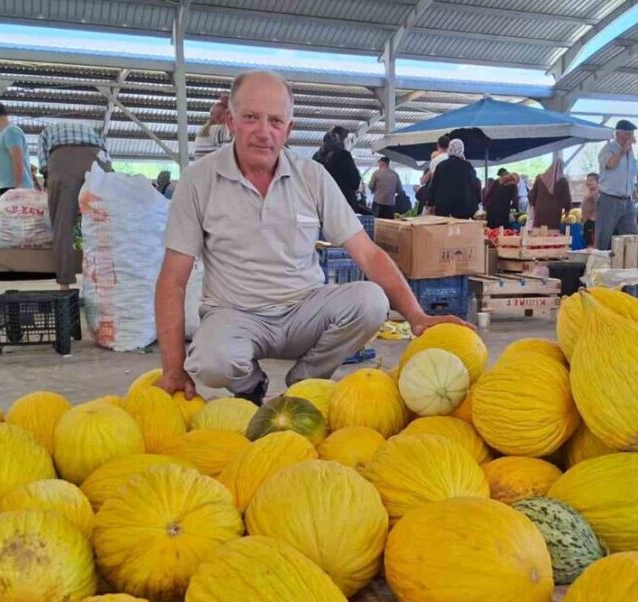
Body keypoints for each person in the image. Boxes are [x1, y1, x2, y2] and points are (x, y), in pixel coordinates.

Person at [154, 70, 470, 404]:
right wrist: (172, 368)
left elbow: (368, 254)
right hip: (235, 313)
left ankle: (304, 384)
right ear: (231, 122)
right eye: (250, 118)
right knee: (209, 361)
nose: (263, 132)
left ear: (289, 129)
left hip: (304, 309)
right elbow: (173, 280)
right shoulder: (198, 180)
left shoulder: (312, 176)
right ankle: (250, 386)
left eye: (275, 121)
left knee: (371, 302)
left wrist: (417, 316)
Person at [38, 121, 112, 289]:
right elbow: (106, 153)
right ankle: (107, 281)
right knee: (105, 223)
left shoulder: (47, 131)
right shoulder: (93, 131)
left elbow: (43, 163)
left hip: (63, 162)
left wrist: (49, 179)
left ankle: (65, 285)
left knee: (62, 225)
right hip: (98, 161)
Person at [595, 120, 638, 250]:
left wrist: (633, 190)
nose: (632, 138)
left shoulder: (630, 153)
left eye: (632, 135)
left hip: (627, 200)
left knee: (633, 237)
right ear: (619, 134)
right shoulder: (608, 149)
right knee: (604, 236)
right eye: (628, 134)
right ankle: (598, 264)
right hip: (609, 199)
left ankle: (631, 265)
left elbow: (629, 173)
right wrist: (622, 151)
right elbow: (610, 164)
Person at [0, 100, 33, 193]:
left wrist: (17, 188)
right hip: (8, 186)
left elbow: (17, 159)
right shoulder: (5, 132)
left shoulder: (11, 131)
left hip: (15, 187)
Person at [426, 139, 480, 219]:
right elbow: (475, 185)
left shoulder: (441, 166)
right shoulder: (467, 167)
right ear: (462, 150)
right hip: (463, 207)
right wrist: (477, 203)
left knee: (444, 229)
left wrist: (430, 203)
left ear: (449, 149)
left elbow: (434, 186)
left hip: (443, 207)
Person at [312, 126, 362, 212]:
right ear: (341, 140)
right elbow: (355, 182)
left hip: (321, 204)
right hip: (344, 204)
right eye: (347, 139)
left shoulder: (316, 157)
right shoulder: (344, 156)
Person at [529, 158, 572, 230]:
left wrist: (533, 205)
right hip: (554, 211)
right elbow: (566, 198)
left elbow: (532, 194)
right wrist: (567, 210)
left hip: (540, 209)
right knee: (552, 231)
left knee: (538, 231)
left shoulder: (540, 179)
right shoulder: (563, 181)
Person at [194, 95, 232, 159]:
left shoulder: (207, 130)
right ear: (219, 117)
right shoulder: (215, 130)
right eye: (229, 114)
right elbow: (239, 127)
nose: (231, 117)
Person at [580, 172, 600, 246]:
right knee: (586, 240)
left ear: (597, 182)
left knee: (590, 242)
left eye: (591, 180)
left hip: (592, 222)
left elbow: (598, 206)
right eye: (587, 180)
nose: (588, 182)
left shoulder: (596, 193)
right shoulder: (589, 192)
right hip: (586, 221)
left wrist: (593, 218)